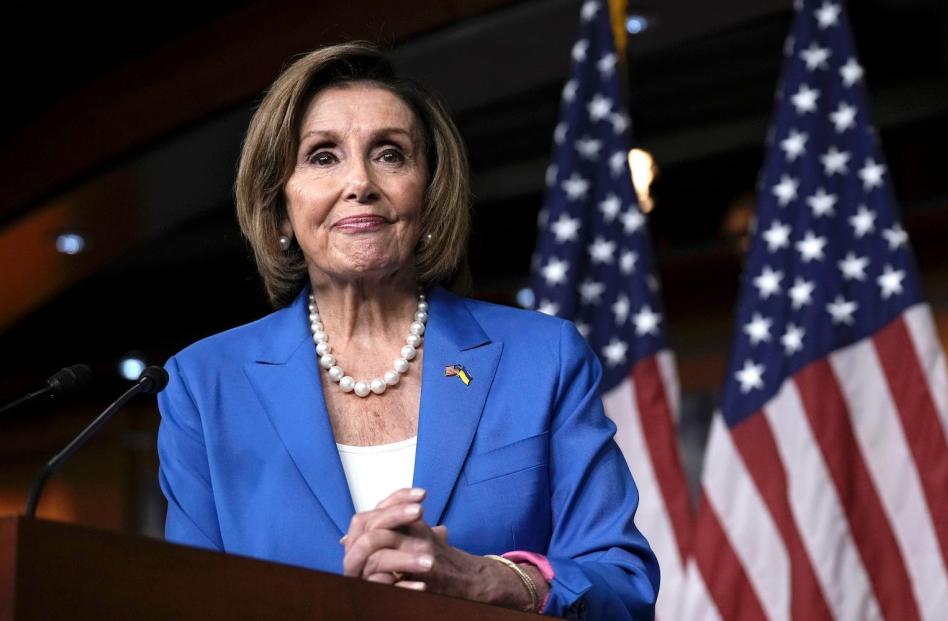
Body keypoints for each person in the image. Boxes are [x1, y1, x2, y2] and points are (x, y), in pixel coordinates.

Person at [156, 42, 658, 619]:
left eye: (390, 154)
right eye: (323, 156)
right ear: (279, 205)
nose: (360, 182)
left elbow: (623, 587)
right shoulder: (203, 383)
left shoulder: (542, 358)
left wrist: (488, 579)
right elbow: (191, 599)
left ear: (429, 190)